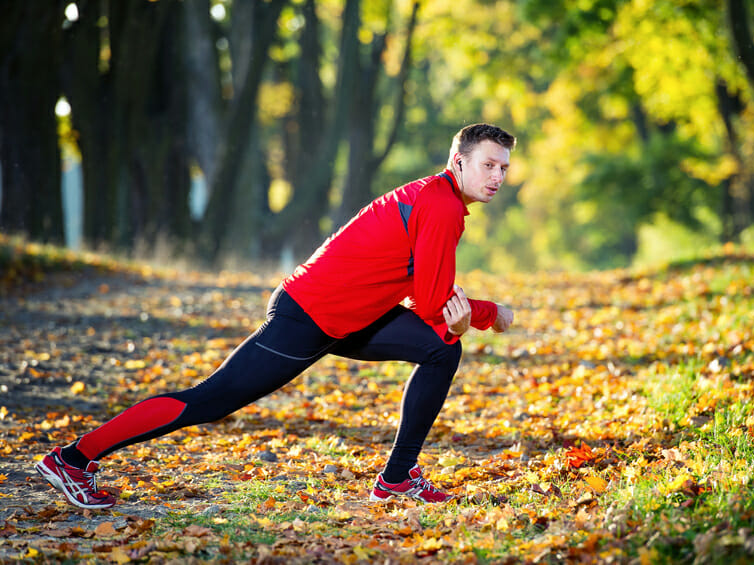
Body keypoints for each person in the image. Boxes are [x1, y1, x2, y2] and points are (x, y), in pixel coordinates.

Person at [36, 123, 516, 509]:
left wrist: (458, 319)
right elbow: (434, 304)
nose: (497, 176)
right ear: (459, 161)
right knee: (209, 400)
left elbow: (424, 295)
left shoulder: (439, 199)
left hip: (353, 316)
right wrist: (490, 313)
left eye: (504, 168)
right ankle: (73, 458)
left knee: (439, 350)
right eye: (488, 165)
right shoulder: (442, 206)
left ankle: (396, 479)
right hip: (306, 316)